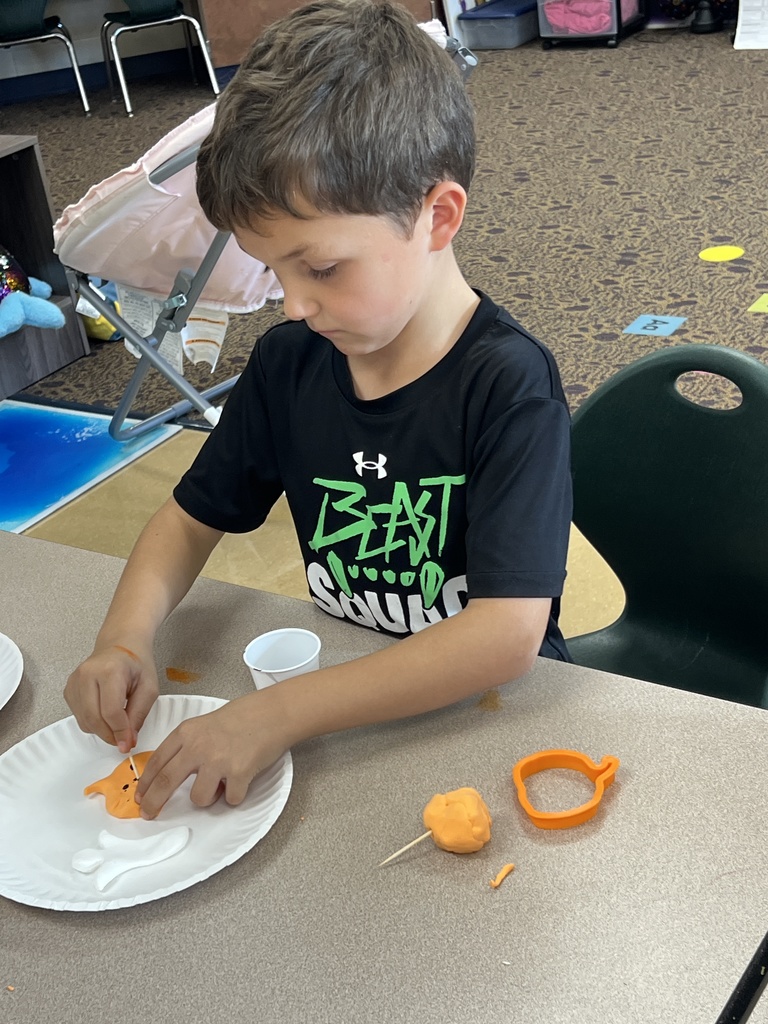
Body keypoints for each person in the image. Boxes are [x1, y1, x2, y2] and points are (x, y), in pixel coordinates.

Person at [64, 0, 572, 819]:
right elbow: (190, 519)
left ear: (437, 217)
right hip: (351, 693)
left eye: (323, 268)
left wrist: (279, 712)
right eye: (274, 271)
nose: (292, 305)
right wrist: (123, 638)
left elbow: (507, 635)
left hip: (488, 718)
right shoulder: (289, 364)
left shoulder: (507, 384)